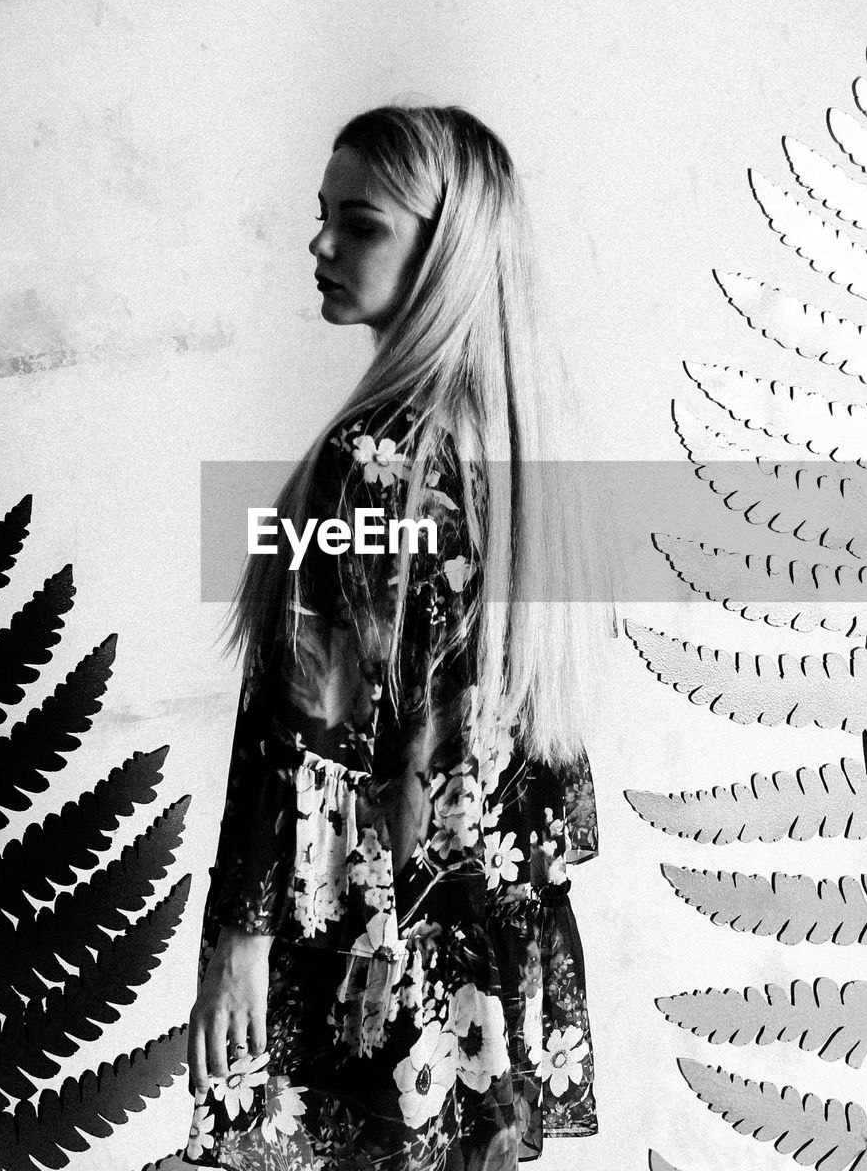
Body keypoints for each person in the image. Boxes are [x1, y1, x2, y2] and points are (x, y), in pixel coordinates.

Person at [184, 104, 609, 1170]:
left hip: (364, 967)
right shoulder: (516, 457)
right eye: (321, 217)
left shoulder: (374, 462)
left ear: (443, 247)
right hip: (483, 972)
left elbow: (302, 729)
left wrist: (236, 934)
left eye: (359, 223)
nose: (319, 246)